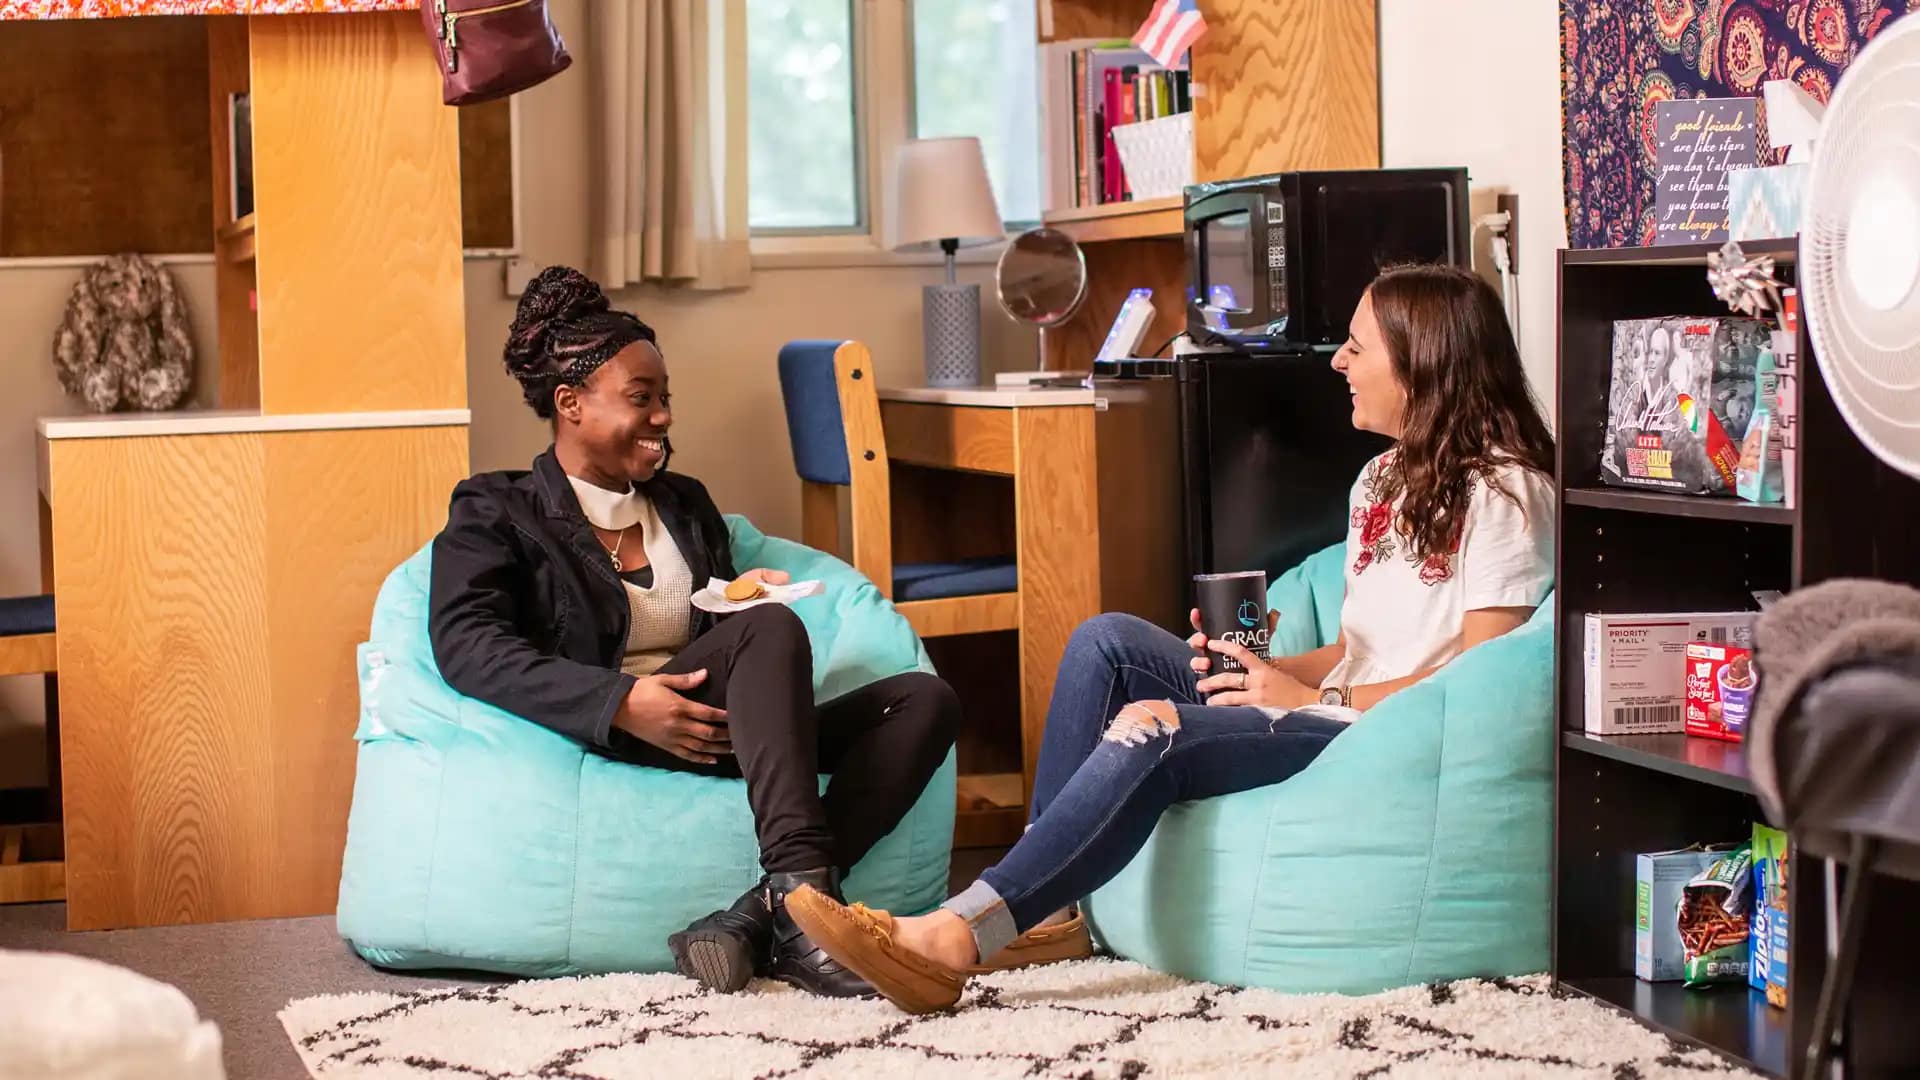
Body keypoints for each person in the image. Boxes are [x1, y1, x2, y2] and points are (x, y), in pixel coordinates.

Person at [781, 262, 1559, 1014]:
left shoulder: (1506, 495)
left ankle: (956, 937)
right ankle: (1048, 904)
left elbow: (1479, 682)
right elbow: (1362, 643)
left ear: (1423, 362)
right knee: (1108, 644)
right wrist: (1260, 668)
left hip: (1377, 735)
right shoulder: (1382, 479)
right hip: (1330, 702)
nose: (1338, 362)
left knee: (1157, 727)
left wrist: (1308, 693)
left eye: (1358, 346)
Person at [427, 266, 961, 999]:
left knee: (925, 701)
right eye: (641, 398)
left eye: (665, 399)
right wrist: (621, 701)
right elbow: (466, 643)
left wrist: (742, 597)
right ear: (570, 403)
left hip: (719, 725)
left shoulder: (683, 503)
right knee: (768, 630)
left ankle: (761, 916)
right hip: (623, 728)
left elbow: (726, 637)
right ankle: (808, 920)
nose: (663, 418)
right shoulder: (496, 508)